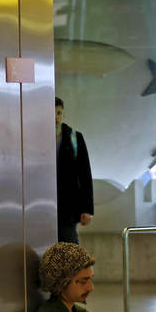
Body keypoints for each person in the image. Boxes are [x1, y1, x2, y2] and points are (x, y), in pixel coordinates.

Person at [55, 97, 94, 244]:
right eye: (52, 113)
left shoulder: (75, 138)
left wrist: (87, 208)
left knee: (69, 248)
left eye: (58, 113)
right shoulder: (37, 138)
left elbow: (85, 174)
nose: (55, 118)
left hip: (68, 207)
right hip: (42, 206)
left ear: (63, 114)